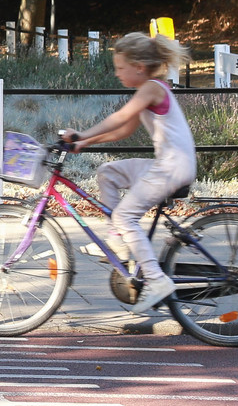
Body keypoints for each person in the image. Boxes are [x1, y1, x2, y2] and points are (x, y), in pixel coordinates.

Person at [59, 32, 197, 311]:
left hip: (172, 167)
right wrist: (85, 143)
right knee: (108, 172)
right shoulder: (148, 90)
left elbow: (119, 117)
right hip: (167, 164)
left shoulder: (152, 88)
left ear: (139, 67)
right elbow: (124, 130)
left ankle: (156, 279)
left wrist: (82, 133)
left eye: (120, 67)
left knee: (125, 216)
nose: (117, 73)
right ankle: (118, 240)